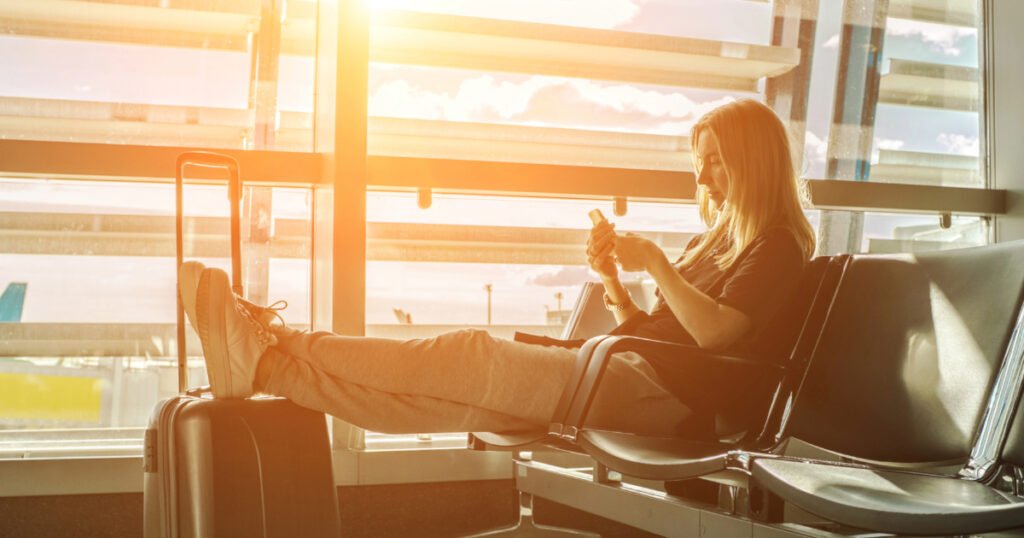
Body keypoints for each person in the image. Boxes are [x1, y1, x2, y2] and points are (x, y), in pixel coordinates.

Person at [179, 98, 815, 439]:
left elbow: (718, 337)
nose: (702, 176)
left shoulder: (778, 246)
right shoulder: (718, 242)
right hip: (636, 369)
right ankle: (263, 364)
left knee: (468, 355)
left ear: (752, 160)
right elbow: (657, 328)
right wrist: (617, 283)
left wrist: (654, 262)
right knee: (431, 404)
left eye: (716, 160)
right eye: (700, 161)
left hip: (668, 396)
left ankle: (280, 338)